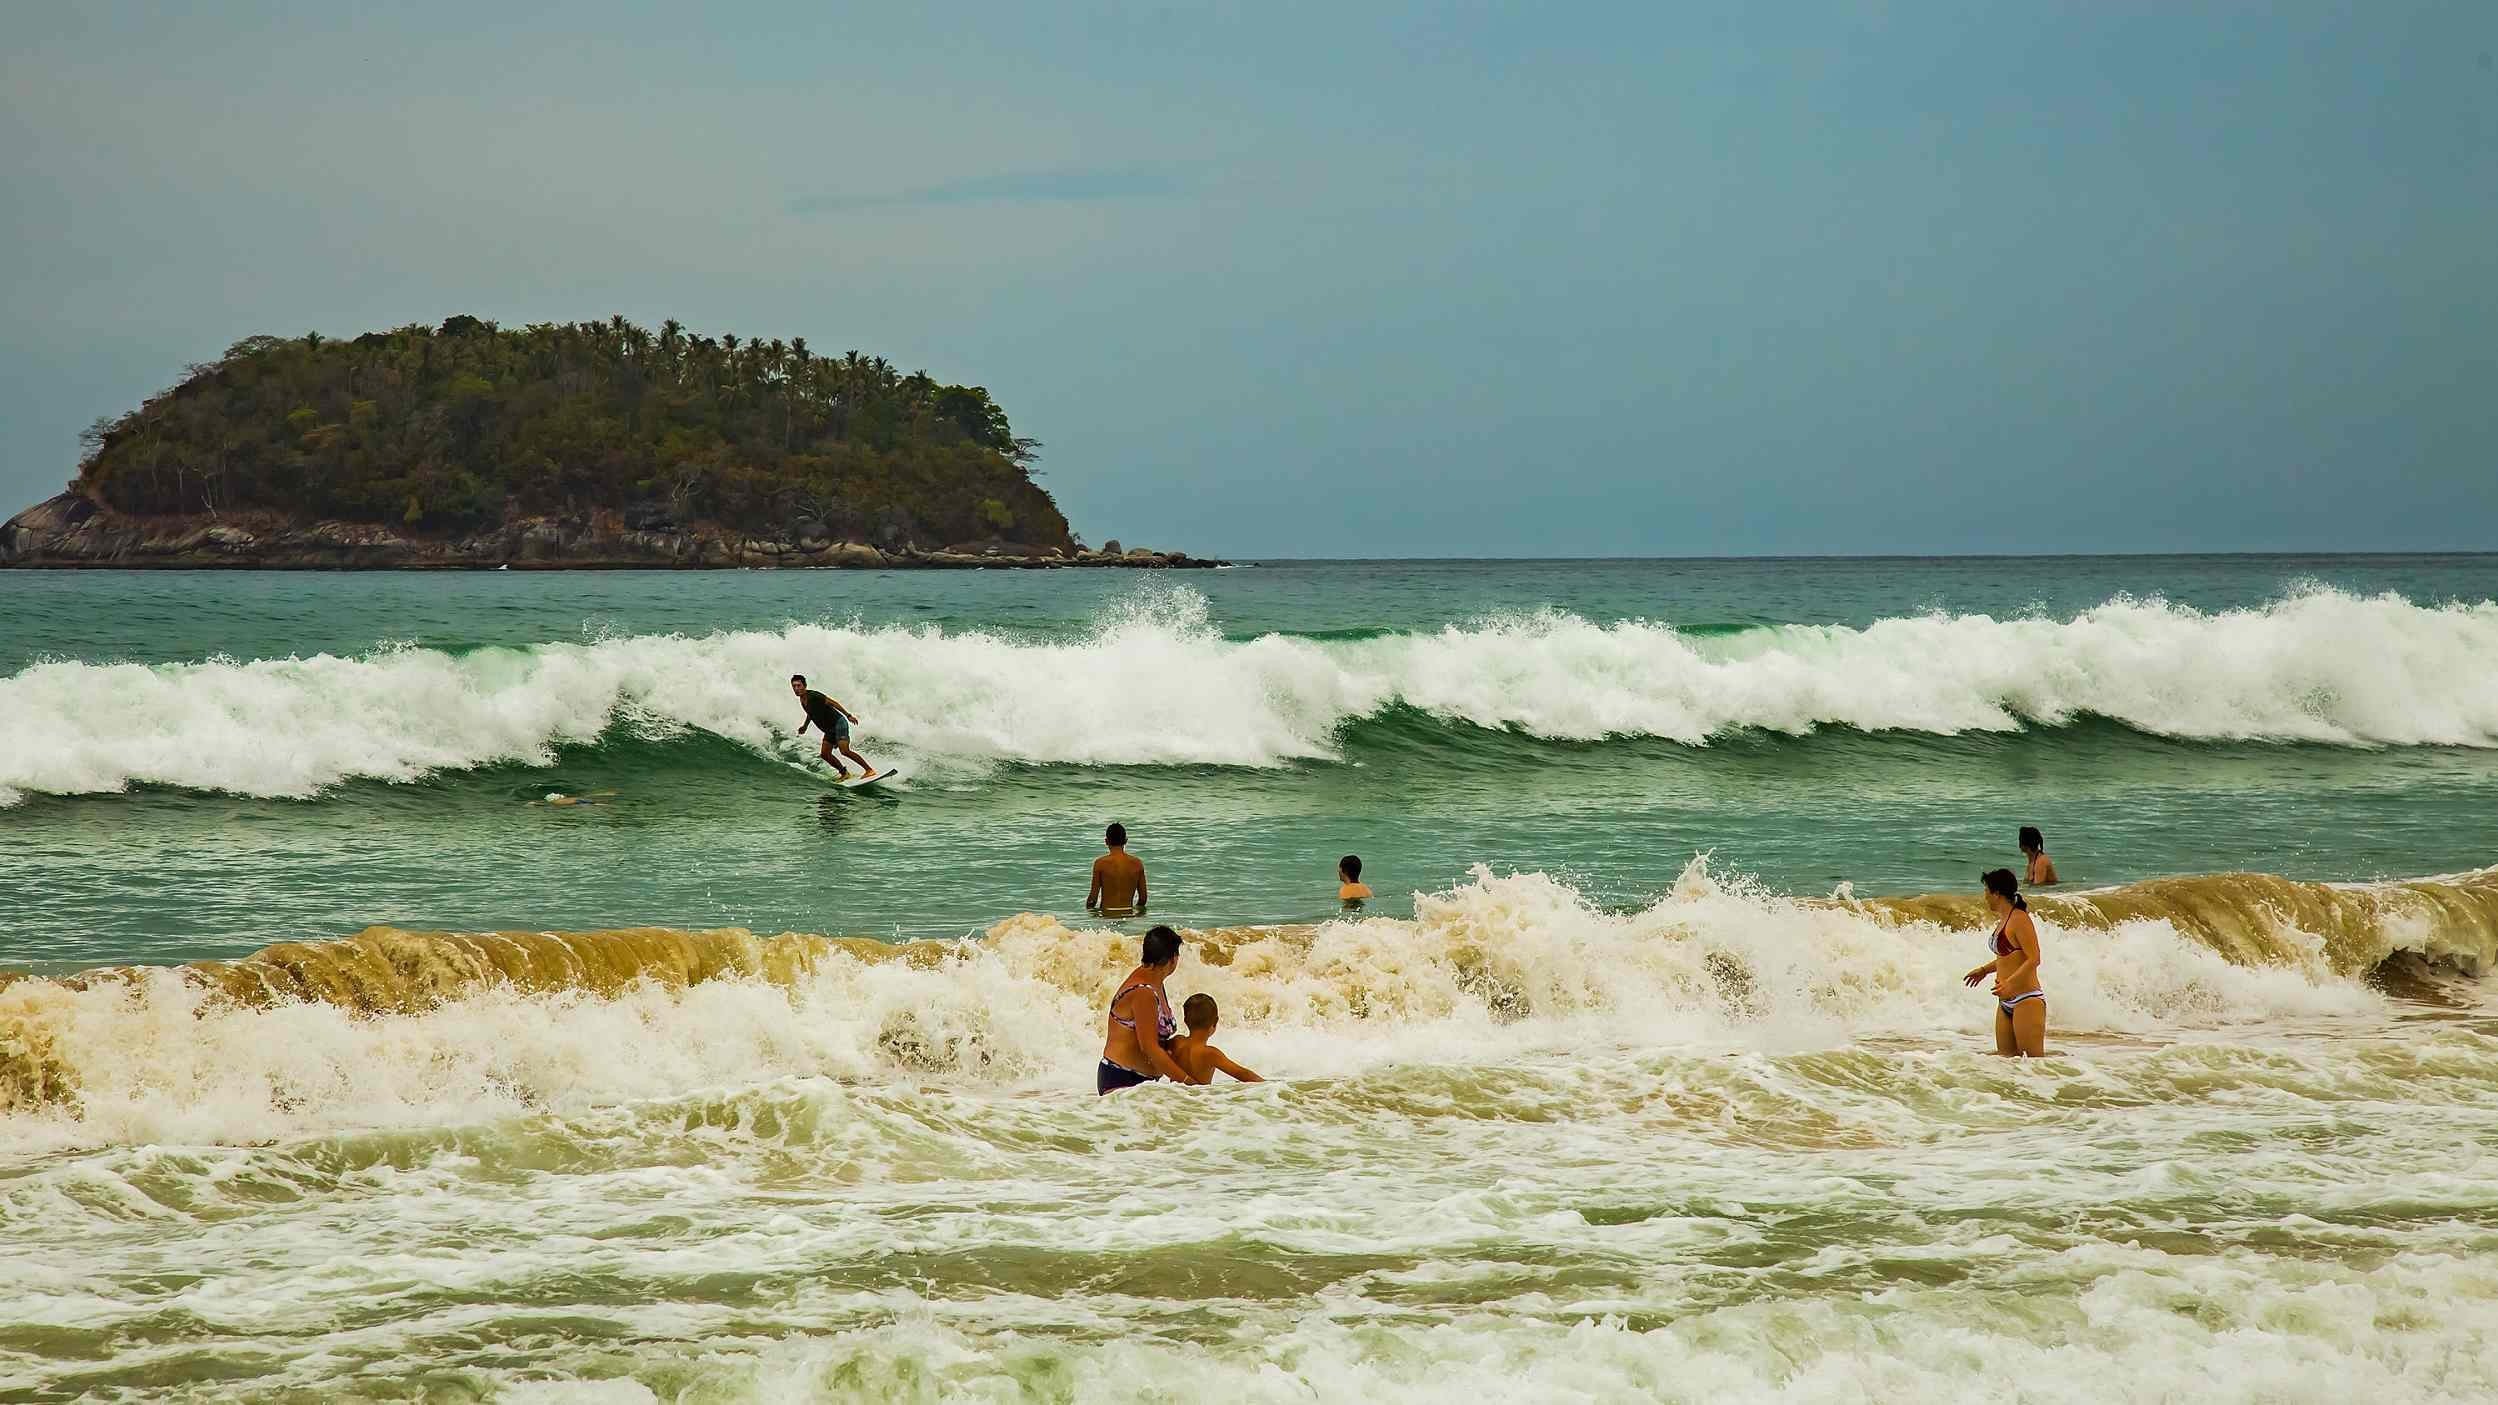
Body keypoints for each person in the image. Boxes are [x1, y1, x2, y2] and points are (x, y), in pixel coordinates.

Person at [1099, 925, 1193, 1094]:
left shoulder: (1155, 980)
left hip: (1142, 1082)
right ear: (1173, 959)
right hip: (1122, 1078)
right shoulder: (1143, 992)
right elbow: (1149, 1047)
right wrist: (1188, 1082)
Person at [1964, 868, 2048, 1057]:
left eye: (1986, 891)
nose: (1984, 896)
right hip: (2005, 1002)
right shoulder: (2003, 920)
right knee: (2006, 1063)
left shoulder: (2020, 919)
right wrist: (1984, 970)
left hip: (2027, 999)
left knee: (2033, 1065)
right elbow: (2007, 958)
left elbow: (2034, 958)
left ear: (1997, 893)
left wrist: (2010, 983)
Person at [790, 674, 877, 779]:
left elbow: (833, 703)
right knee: (825, 754)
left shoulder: (814, 696)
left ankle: (869, 770)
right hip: (829, 730)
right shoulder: (802, 700)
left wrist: (848, 715)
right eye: (794, 686)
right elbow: (811, 714)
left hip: (838, 723)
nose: (796, 689)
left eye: (799, 686)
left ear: (805, 686)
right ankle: (844, 773)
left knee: (844, 751)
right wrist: (805, 726)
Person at [1170, 994, 1264, 1085]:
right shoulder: (1210, 1053)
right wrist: (1267, 1085)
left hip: (1174, 1098)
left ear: (1185, 1020)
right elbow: (1241, 1073)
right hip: (1199, 1099)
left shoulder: (1176, 1042)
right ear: (1215, 1022)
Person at [1087, 823, 1148, 917]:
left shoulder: (1100, 863)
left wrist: (1089, 915)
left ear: (1106, 841)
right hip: (1128, 915)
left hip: (1106, 917)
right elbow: (1143, 899)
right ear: (1125, 841)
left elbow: (1093, 899)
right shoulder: (1137, 863)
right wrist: (1135, 914)